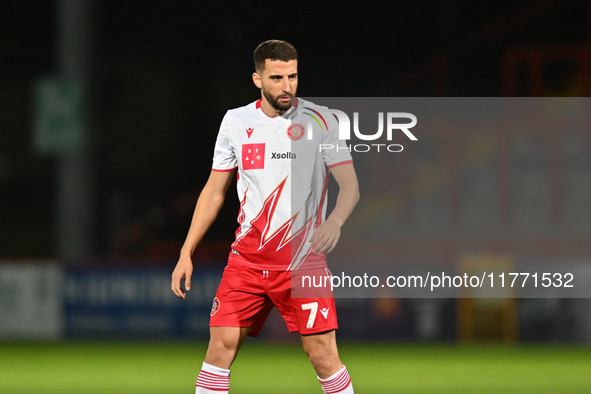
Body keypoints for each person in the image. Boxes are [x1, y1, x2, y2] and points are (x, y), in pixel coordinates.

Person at [171, 39, 359, 394]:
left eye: (293, 76)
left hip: (304, 263)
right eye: (276, 78)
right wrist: (186, 252)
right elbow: (214, 192)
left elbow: (350, 185)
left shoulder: (322, 120)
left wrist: (334, 221)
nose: (287, 86)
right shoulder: (236, 122)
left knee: (322, 355)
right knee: (218, 351)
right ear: (257, 79)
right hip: (247, 264)